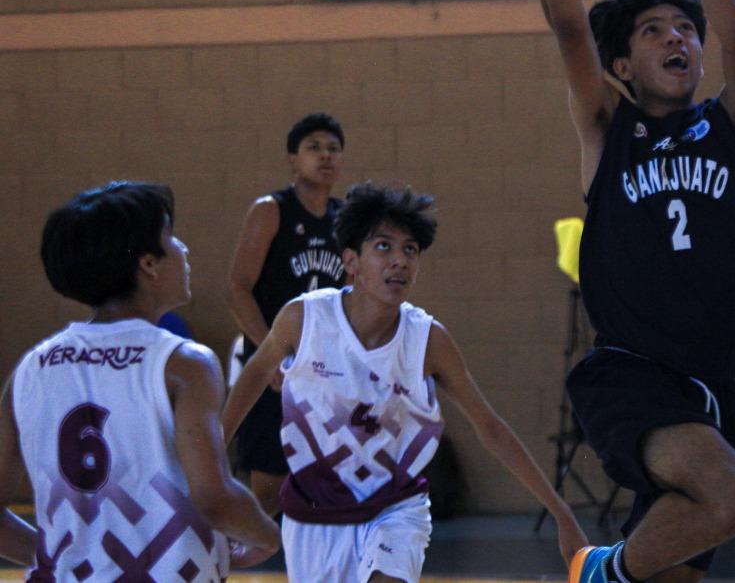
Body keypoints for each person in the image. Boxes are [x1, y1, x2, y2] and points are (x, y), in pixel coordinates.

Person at [508, 0, 735, 583]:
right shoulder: (607, 128)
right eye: (656, 30)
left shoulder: (734, 128)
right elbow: (565, 27)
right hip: (629, 373)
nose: (679, 38)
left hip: (712, 381)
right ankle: (601, 570)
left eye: (686, 27)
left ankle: (620, 572)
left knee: (678, 570)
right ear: (624, 59)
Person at [222, 182, 587, 582]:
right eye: (384, 247)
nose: (399, 260)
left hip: (394, 509)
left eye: (410, 250)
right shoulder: (304, 319)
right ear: (351, 261)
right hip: (313, 514)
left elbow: (490, 427)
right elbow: (254, 374)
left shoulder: (428, 340)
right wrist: (210, 457)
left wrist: (560, 512)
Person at [0, 181, 279, 580]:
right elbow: (214, 497)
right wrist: (269, 537)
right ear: (148, 264)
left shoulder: (30, 369)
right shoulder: (183, 364)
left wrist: (65, 556)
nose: (183, 249)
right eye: (171, 236)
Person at [224, 112, 347, 515]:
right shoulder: (271, 210)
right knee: (269, 486)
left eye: (333, 148)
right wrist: (269, 353)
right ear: (292, 159)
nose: (325, 155)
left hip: (323, 364)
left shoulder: (345, 219)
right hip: (273, 362)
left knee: (327, 478)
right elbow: (238, 289)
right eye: (314, 147)